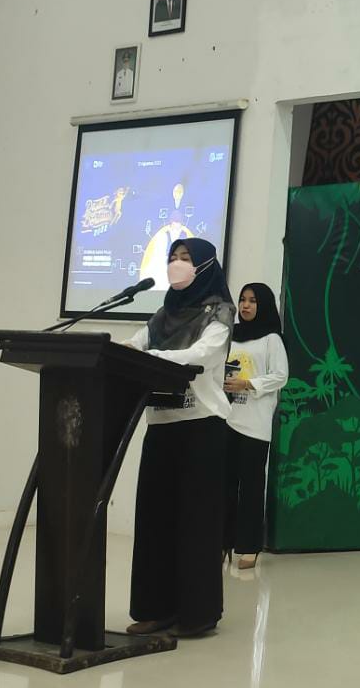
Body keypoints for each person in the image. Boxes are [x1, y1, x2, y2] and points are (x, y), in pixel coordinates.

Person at [125, 238, 234, 639]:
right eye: (173, 257)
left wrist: (150, 358)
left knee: (195, 523)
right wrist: (121, 352)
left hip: (201, 426)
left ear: (205, 266)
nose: (177, 263)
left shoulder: (219, 312)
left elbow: (202, 356)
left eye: (186, 258)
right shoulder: (162, 315)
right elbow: (133, 346)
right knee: (154, 521)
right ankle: (156, 609)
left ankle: (196, 613)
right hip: (161, 424)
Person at [223, 283, 288, 570]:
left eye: (252, 300)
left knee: (250, 487)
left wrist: (248, 383)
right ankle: (222, 543)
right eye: (242, 300)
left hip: (255, 424)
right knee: (223, 486)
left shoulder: (271, 339)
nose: (246, 305)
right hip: (226, 418)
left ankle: (249, 547)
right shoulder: (231, 336)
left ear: (264, 304)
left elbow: (281, 376)